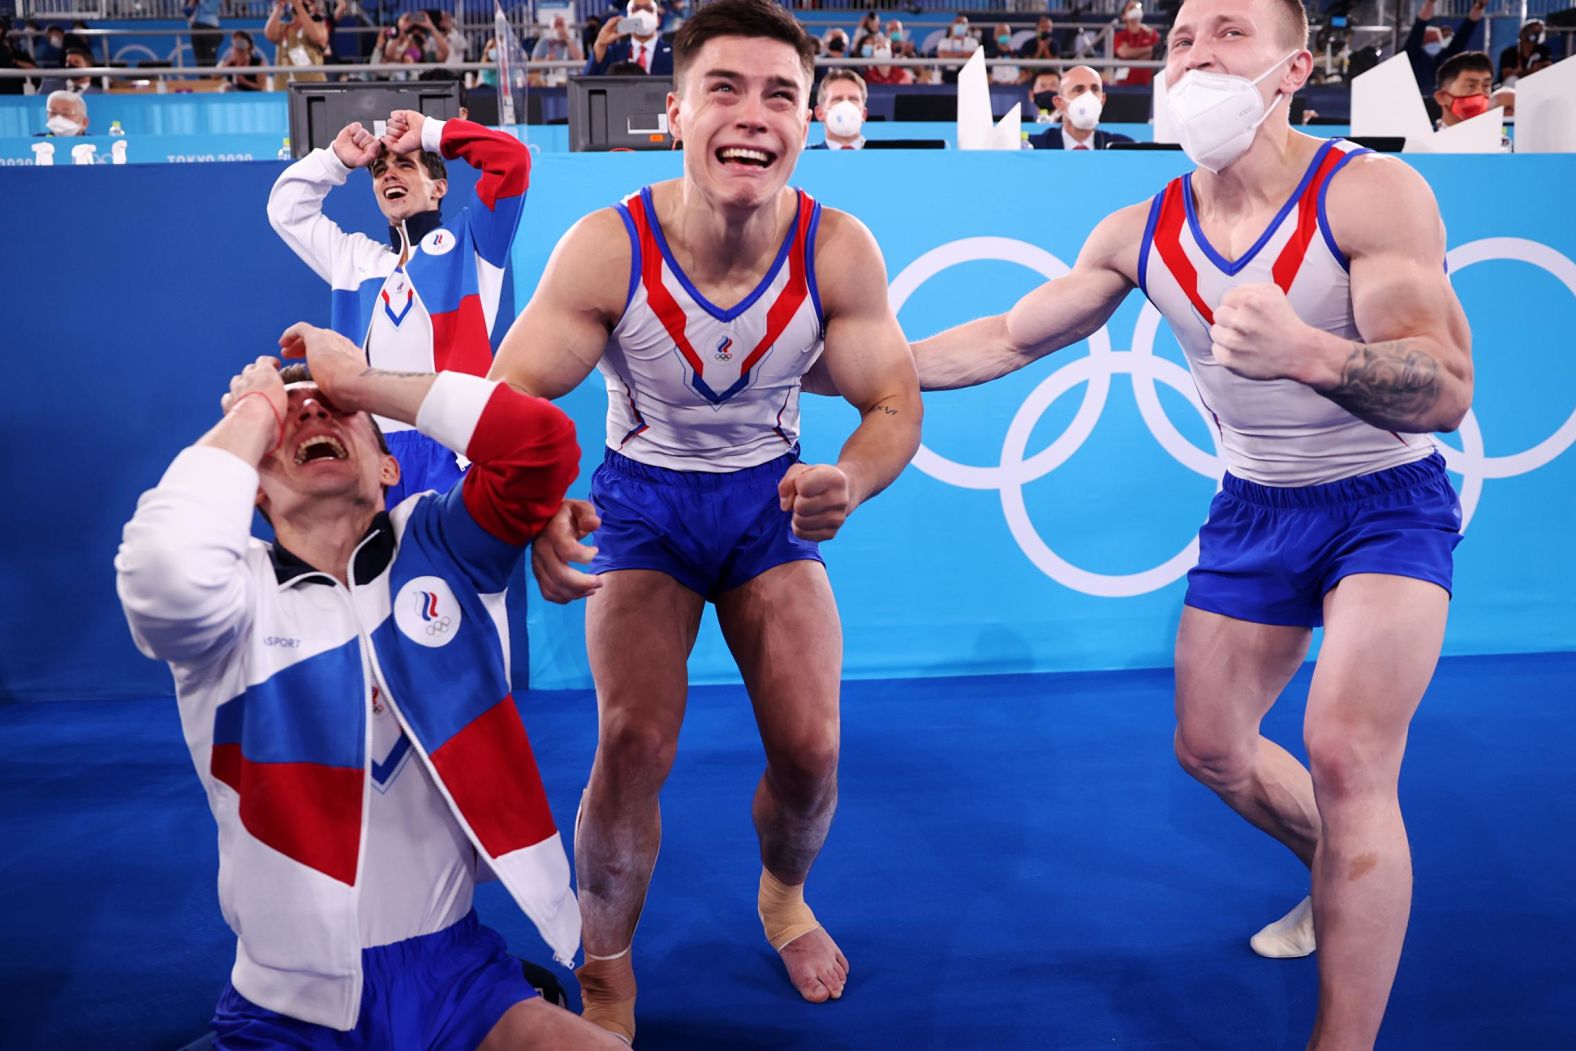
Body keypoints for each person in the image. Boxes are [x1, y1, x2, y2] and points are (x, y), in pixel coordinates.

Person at [905, 0, 1472, 1046]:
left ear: (1294, 65)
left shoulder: (1370, 194)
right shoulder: (1139, 229)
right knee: (1210, 747)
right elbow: (1002, 339)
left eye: (1226, 32)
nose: (1196, 55)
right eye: (1177, 40)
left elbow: (1442, 390)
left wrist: (1310, 352)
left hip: (1384, 504)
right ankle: (1342, 871)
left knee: (1345, 752)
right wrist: (831, 367)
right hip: (1255, 506)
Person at [489, 0, 922, 1040]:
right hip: (643, 505)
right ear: (673, 110)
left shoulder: (838, 249)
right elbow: (507, 394)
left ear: (810, 122)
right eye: (724, 88)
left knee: (812, 751)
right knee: (632, 742)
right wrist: (538, 502)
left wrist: (853, 480)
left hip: (765, 503)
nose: (752, 115)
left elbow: (894, 405)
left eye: (780, 95)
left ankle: (782, 896)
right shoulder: (608, 248)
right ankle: (605, 972)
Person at [115, 321, 624, 1049]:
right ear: (252, 489)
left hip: (463, 980)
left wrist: (363, 383)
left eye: (336, 411)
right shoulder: (230, 604)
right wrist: (251, 413)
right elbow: (161, 573)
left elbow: (541, 444)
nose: (313, 412)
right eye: (292, 417)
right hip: (287, 1006)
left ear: (389, 469)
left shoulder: (443, 544)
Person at [267, 109, 531, 502]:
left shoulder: (473, 243)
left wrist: (433, 135)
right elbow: (286, 210)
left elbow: (512, 161)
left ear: (438, 187)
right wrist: (334, 161)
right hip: (373, 453)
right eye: (379, 171)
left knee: (451, 563)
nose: (388, 174)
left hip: (454, 448)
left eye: (405, 165)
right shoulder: (353, 258)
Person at [1027, 64, 1134, 149]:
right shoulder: (1034, 147)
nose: (1088, 96)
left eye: (1094, 89)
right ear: (1059, 102)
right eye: (1079, 90)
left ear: (1102, 100)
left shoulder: (1124, 148)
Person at [1403, 0, 1483, 96]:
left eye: (1436, 40)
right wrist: (1430, 3)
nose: (1433, 44)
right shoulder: (1413, 56)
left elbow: (1466, 31)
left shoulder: (1446, 57)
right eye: (1430, 41)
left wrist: (1479, 6)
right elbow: (1419, 26)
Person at [585, 0, 672, 76]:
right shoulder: (614, 53)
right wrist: (600, 45)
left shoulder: (673, 53)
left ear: (658, 20)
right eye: (636, 9)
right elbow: (588, 82)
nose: (642, 13)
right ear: (627, 18)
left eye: (648, 9)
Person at [264, 0, 329, 82]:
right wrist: (279, 6)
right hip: (284, 86)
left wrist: (298, 5)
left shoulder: (320, 27)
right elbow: (269, 35)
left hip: (312, 86)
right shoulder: (283, 28)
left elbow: (317, 37)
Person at [1433, 51, 1495, 128]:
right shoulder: (1422, 139)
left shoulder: (1502, 140)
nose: (1480, 92)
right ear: (1441, 97)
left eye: (1486, 86)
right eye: (1471, 86)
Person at [809, 68, 868, 149]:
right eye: (837, 99)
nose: (846, 105)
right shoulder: (803, 157)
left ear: (863, 114)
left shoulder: (885, 154)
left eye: (853, 99)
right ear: (819, 113)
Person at [1113, 0, 1161, 85]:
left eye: (1138, 7)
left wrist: (1131, 57)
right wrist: (1149, 49)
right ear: (1124, 16)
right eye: (1131, 8)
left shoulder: (1151, 34)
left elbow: (1156, 53)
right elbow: (1124, 53)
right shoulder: (1120, 36)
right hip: (1124, 85)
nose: (1136, 10)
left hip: (1147, 85)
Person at [1497, 17, 1552, 87]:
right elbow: (1507, 76)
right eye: (1532, 31)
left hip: (1535, 83)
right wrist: (1530, 71)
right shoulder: (1509, 53)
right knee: (1512, 80)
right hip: (1514, 86)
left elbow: (1547, 68)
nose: (1536, 34)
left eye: (1538, 32)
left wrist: (1521, 72)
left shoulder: (1543, 50)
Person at [184, 0, 222, 69]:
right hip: (196, 27)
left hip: (210, 27)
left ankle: (211, 78)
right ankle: (202, 78)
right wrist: (191, 3)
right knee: (200, 61)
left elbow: (211, 9)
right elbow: (187, 12)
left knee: (210, 59)